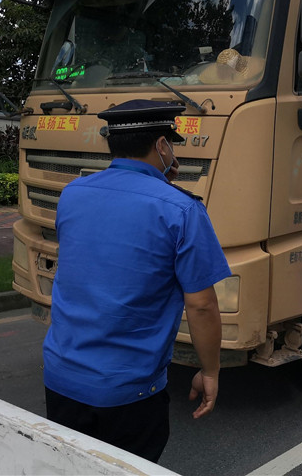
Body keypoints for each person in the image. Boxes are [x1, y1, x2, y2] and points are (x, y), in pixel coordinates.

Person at [42, 99, 230, 462]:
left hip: (62, 379)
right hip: (128, 393)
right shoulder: (182, 210)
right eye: (170, 144)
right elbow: (202, 305)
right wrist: (210, 371)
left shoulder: (72, 194)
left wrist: (159, 186)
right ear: (162, 146)